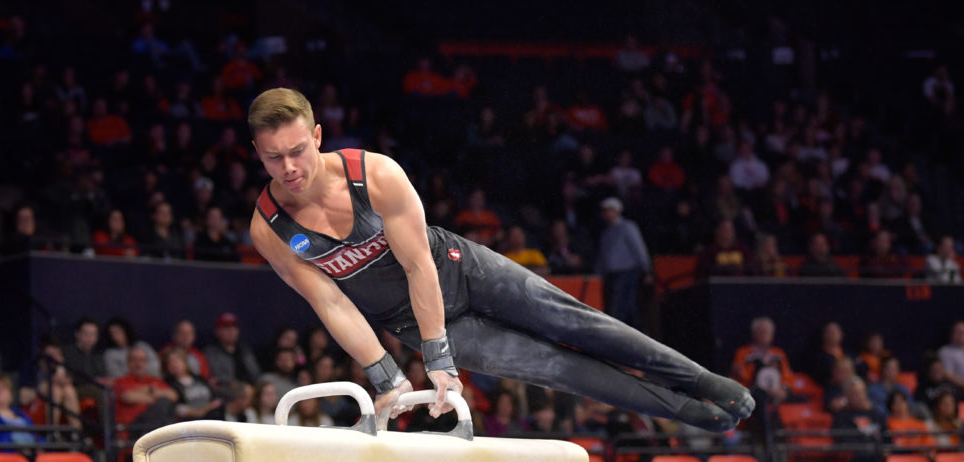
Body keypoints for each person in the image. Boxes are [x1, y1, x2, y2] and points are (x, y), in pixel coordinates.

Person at [246, 88, 753, 432]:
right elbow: (330, 302)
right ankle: (690, 412)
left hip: (464, 272)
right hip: (408, 321)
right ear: (257, 153)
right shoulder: (269, 228)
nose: (289, 168)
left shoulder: (374, 175)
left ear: (316, 137)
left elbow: (419, 264)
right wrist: (386, 376)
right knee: (561, 370)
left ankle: (702, 380)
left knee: (583, 326)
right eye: (274, 157)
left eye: (297, 151)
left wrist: (438, 356)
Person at [595, 197, 652, 328]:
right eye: (604, 211)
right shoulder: (606, 232)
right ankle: (636, 332)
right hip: (612, 275)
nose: (605, 213)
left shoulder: (627, 227)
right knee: (626, 306)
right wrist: (598, 274)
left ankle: (626, 334)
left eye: (608, 210)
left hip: (628, 272)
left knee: (620, 306)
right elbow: (603, 256)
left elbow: (639, 248)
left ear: (617, 211)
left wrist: (647, 270)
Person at [113, 346, 178, 430]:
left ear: (146, 363)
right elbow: (128, 397)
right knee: (164, 402)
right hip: (133, 427)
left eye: (142, 360)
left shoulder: (154, 380)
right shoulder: (121, 381)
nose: (138, 364)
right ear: (128, 363)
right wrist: (156, 397)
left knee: (166, 404)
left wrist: (148, 390)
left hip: (154, 424)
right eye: (134, 360)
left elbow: (173, 396)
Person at [203, 312, 260, 387]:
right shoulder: (211, 352)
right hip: (228, 389)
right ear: (217, 331)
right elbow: (217, 377)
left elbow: (256, 373)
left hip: (252, 388)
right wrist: (241, 386)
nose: (231, 331)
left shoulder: (245, 351)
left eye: (234, 327)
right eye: (226, 327)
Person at [161, 347, 218, 419]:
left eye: (176, 361)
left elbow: (216, 399)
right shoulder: (167, 384)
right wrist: (198, 413)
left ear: (185, 361)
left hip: (212, 414)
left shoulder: (199, 379)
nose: (173, 365)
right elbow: (176, 408)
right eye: (169, 362)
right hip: (189, 421)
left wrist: (207, 408)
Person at [941, 321, 964, 388]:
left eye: (963, 332)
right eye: (959, 332)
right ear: (952, 333)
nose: (962, 334)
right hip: (956, 388)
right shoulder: (945, 351)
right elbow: (947, 374)